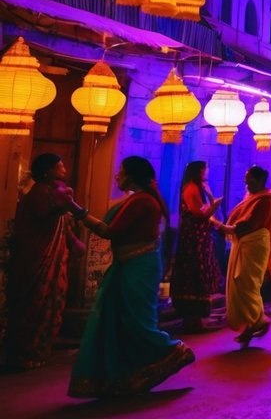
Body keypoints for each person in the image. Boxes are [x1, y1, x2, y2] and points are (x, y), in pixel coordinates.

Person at [66, 157, 194, 398]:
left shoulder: (143, 201)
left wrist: (77, 210)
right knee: (119, 321)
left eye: (121, 172)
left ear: (133, 176)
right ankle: (124, 375)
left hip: (138, 266)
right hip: (128, 264)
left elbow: (109, 231)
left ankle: (172, 351)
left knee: (136, 321)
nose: (117, 176)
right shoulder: (136, 199)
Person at [4, 153, 80, 370]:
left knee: (51, 301)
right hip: (36, 258)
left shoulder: (56, 193)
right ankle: (24, 354)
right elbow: (48, 212)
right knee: (33, 303)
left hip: (54, 258)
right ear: (47, 171)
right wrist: (69, 204)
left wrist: (75, 243)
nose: (64, 168)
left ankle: (39, 351)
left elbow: (63, 223)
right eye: (59, 165)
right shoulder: (40, 193)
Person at [216, 166, 271, 347]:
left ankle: (257, 321)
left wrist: (219, 226)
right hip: (243, 244)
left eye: (249, 179)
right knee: (240, 282)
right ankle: (254, 321)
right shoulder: (251, 197)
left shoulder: (265, 200)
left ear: (259, 181)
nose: (246, 182)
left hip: (255, 245)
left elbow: (248, 225)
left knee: (247, 283)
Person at [169, 161, 222, 334]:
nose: (207, 171)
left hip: (199, 237)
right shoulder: (191, 189)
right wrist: (214, 206)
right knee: (195, 273)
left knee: (199, 273)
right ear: (198, 171)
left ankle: (197, 318)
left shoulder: (198, 188)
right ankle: (193, 319)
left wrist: (210, 197)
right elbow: (200, 213)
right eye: (205, 169)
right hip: (194, 240)